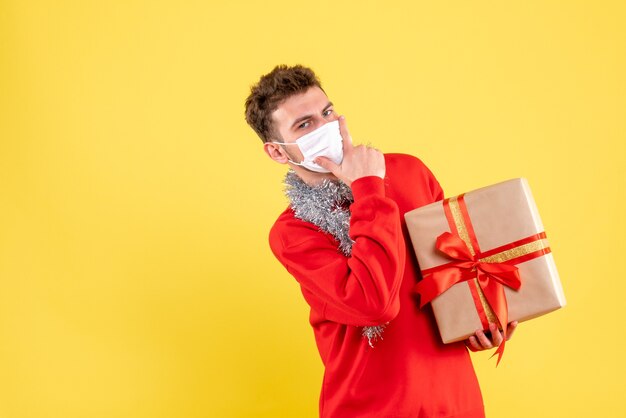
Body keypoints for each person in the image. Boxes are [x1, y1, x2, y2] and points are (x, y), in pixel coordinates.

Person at [244, 64, 518, 418]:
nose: (326, 126)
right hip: (370, 406)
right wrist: (368, 187)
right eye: (305, 124)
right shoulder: (292, 232)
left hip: (453, 397)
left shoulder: (410, 171)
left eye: (327, 112)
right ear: (278, 152)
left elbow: (452, 271)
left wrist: (481, 321)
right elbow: (373, 304)